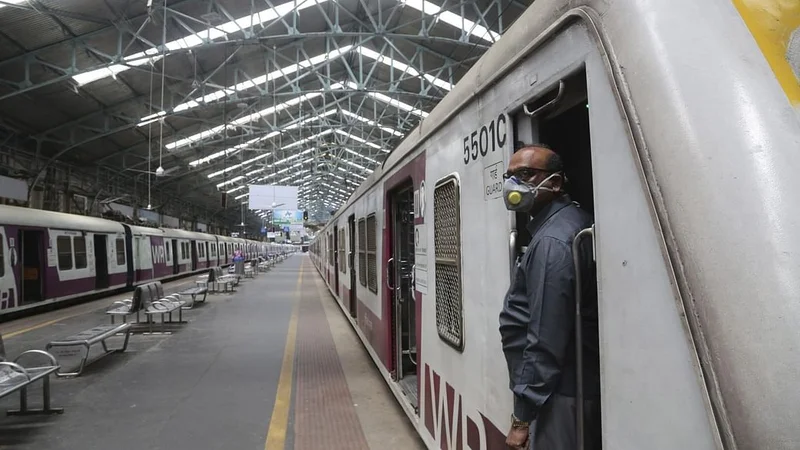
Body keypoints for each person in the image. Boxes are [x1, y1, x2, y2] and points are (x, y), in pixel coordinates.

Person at [498, 144, 601, 450]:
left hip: (560, 391)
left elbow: (545, 337)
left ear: (554, 183)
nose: (512, 185)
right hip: (565, 385)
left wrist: (522, 417)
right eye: (509, 176)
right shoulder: (571, 220)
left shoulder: (552, 242)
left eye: (525, 174)